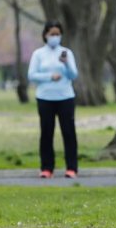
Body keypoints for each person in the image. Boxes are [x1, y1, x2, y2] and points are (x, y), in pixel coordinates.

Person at [27, 21, 79, 179]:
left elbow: (73, 75)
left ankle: (71, 168)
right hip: (45, 98)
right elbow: (32, 75)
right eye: (52, 34)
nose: (55, 37)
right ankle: (47, 168)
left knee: (68, 132)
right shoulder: (38, 54)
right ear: (45, 35)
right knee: (46, 133)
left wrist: (67, 64)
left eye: (58, 34)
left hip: (65, 97)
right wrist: (49, 76)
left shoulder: (66, 53)